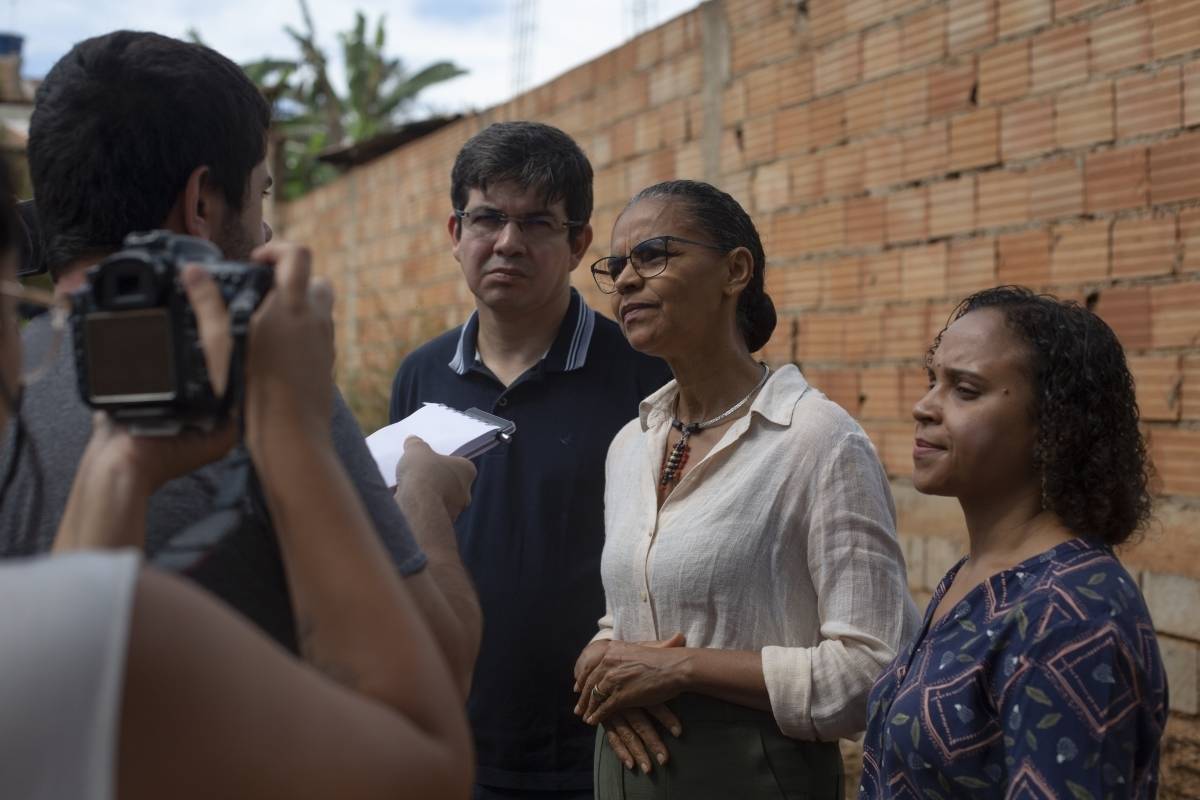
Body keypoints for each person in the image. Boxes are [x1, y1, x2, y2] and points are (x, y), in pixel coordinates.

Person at [0, 31, 480, 688]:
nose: (266, 230)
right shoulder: (256, 386)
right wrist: (425, 497)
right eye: (261, 194)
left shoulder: (13, 379)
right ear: (201, 203)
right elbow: (438, 676)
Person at [0, 148, 474, 796]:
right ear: (202, 204)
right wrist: (295, 429)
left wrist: (120, 466)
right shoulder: (137, 622)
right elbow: (427, 768)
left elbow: (66, 686)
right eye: (9, 306)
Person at [572, 179, 920, 798]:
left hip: (752, 774)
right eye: (617, 265)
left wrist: (680, 668)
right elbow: (634, 610)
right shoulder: (631, 444)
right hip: (625, 770)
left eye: (653, 255)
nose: (625, 280)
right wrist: (602, 660)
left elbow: (877, 670)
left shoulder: (817, 441)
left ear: (735, 270)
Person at [389, 121, 671, 798]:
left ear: (577, 243)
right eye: (487, 217)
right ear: (455, 234)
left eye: (537, 223)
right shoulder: (420, 376)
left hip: (600, 748)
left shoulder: (644, 377)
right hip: (450, 739)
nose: (508, 242)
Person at [858, 287, 1168, 798]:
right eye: (932, 380)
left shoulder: (1072, 616)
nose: (923, 406)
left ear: (1053, 426)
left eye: (966, 390)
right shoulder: (977, 573)